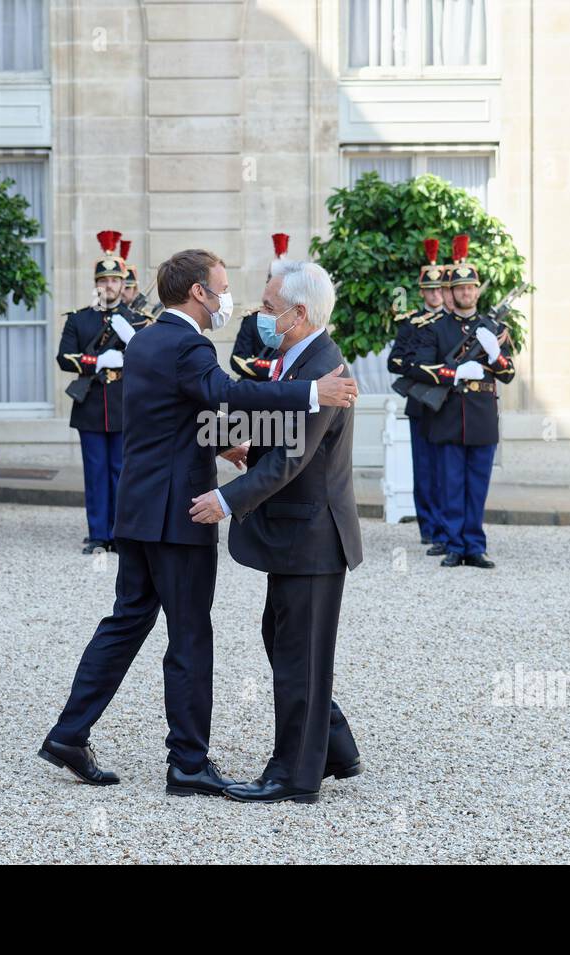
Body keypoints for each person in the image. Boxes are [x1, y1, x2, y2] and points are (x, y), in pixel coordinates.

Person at [38, 248, 360, 796]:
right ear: (197, 293)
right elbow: (227, 392)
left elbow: (173, 417)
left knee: (126, 621)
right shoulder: (190, 344)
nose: (230, 300)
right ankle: (187, 761)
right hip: (177, 514)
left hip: (138, 507)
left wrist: (224, 443)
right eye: (221, 287)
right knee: (189, 635)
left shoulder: (144, 339)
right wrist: (312, 391)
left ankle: (69, 733)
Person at [189, 258, 364, 805]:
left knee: (298, 657)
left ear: (300, 312)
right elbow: (276, 425)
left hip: (312, 535)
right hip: (296, 533)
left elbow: (291, 457)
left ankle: (294, 774)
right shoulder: (294, 357)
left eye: (268, 308)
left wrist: (225, 498)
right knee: (287, 644)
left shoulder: (322, 367)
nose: (261, 317)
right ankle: (333, 746)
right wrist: (232, 442)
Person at [408, 234, 515, 568]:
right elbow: (418, 367)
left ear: (477, 291)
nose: (466, 293)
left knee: (478, 485)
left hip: (482, 413)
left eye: (471, 288)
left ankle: (474, 545)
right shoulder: (437, 329)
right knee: (451, 484)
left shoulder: (493, 328)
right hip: (450, 413)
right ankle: (454, 544)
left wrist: (495, 355)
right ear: (451, 293)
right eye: (460, 288)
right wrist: (454, 374)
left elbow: (509, 373)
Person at [56, 230, 149, 554]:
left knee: (122, 473)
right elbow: (64, 357)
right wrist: (96, 360)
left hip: (125, 405)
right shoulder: (80, 320)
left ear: (123, 285)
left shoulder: (137, 321)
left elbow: (153, 360)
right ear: (96, 284)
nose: (109, 286)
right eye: (103, 280)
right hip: (92, 405)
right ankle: (98, 534)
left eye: (114, 281)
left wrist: (132, 347)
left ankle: (120, 533)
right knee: (95, 474)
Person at [388, 238, 445, 548]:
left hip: (448, 404)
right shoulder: (410, 323)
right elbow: (395, 361)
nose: (435, 295)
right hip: (422, 403)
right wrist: (425, 371)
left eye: (439, 290)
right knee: (423, 468)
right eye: (430, 290)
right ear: (422, 292)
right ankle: (428, 527)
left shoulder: (451, 321)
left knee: (445, 468)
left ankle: (447, 527)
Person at [230, 233, 291, 381]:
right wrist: (272, 367)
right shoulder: (253, 319)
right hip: (258, 390)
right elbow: (238, 359)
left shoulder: (298, 319)